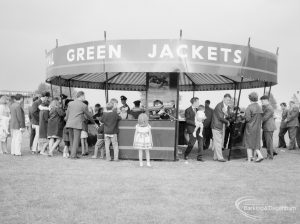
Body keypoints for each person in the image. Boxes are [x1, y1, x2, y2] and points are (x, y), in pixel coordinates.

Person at [65, 91, 95, 159]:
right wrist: (94, 123)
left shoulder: (70, 103)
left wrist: (67, 121)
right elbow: (89, 116)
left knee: (72, 139)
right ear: (81, 96)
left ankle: (73, 154)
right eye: (84, 96)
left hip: (69, 123)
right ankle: (73, 155)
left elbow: (67, 115)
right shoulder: (83, 105)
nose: (84, 97)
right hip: (77, 124)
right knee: (76, 140)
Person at [243, 92, 264, 162]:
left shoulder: (249, 107)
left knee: (248, 143)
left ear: (250, 99)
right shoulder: (259, 107)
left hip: (250, 127)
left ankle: (250, 158)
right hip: (257, 127)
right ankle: (255, 157)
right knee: (256, 142)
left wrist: (244, 117)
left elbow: (247, 119)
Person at [211, 94, 231, 162]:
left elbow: (228, 116)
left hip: (222, 126)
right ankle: (220, 157)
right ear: (224, 99)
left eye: (229, 100)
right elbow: (220, 117)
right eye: (227, 100)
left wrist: (226, 113)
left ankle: (215, 157)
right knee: (218, 142)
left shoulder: (227, 107)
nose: (228, 101)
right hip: (216, 126)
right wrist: (227, 122)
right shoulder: (219, 105)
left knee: (218, 142)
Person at [184, 97, 204, 161]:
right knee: (191, 144)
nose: (198, 103)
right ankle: (186, 154)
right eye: (198, 102)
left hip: (199, 129)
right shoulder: (188, 110)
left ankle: (199, 157)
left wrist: (202, 120)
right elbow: (187, 120)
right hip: (192, 129)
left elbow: (201, 117)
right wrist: (195, 124)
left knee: (201, 143)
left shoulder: (199, 110)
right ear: (194, 102)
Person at [261, 95, 276, 160]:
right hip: (267, 127)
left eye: (262, 101)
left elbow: (265, 117)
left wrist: (258, 122)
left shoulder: (269, 108)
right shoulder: (266, 107)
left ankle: (270, 156)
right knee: (266, 141)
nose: (261, 102)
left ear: (266, 100)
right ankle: (271, 153)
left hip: (268, 127)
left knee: (269, 142)